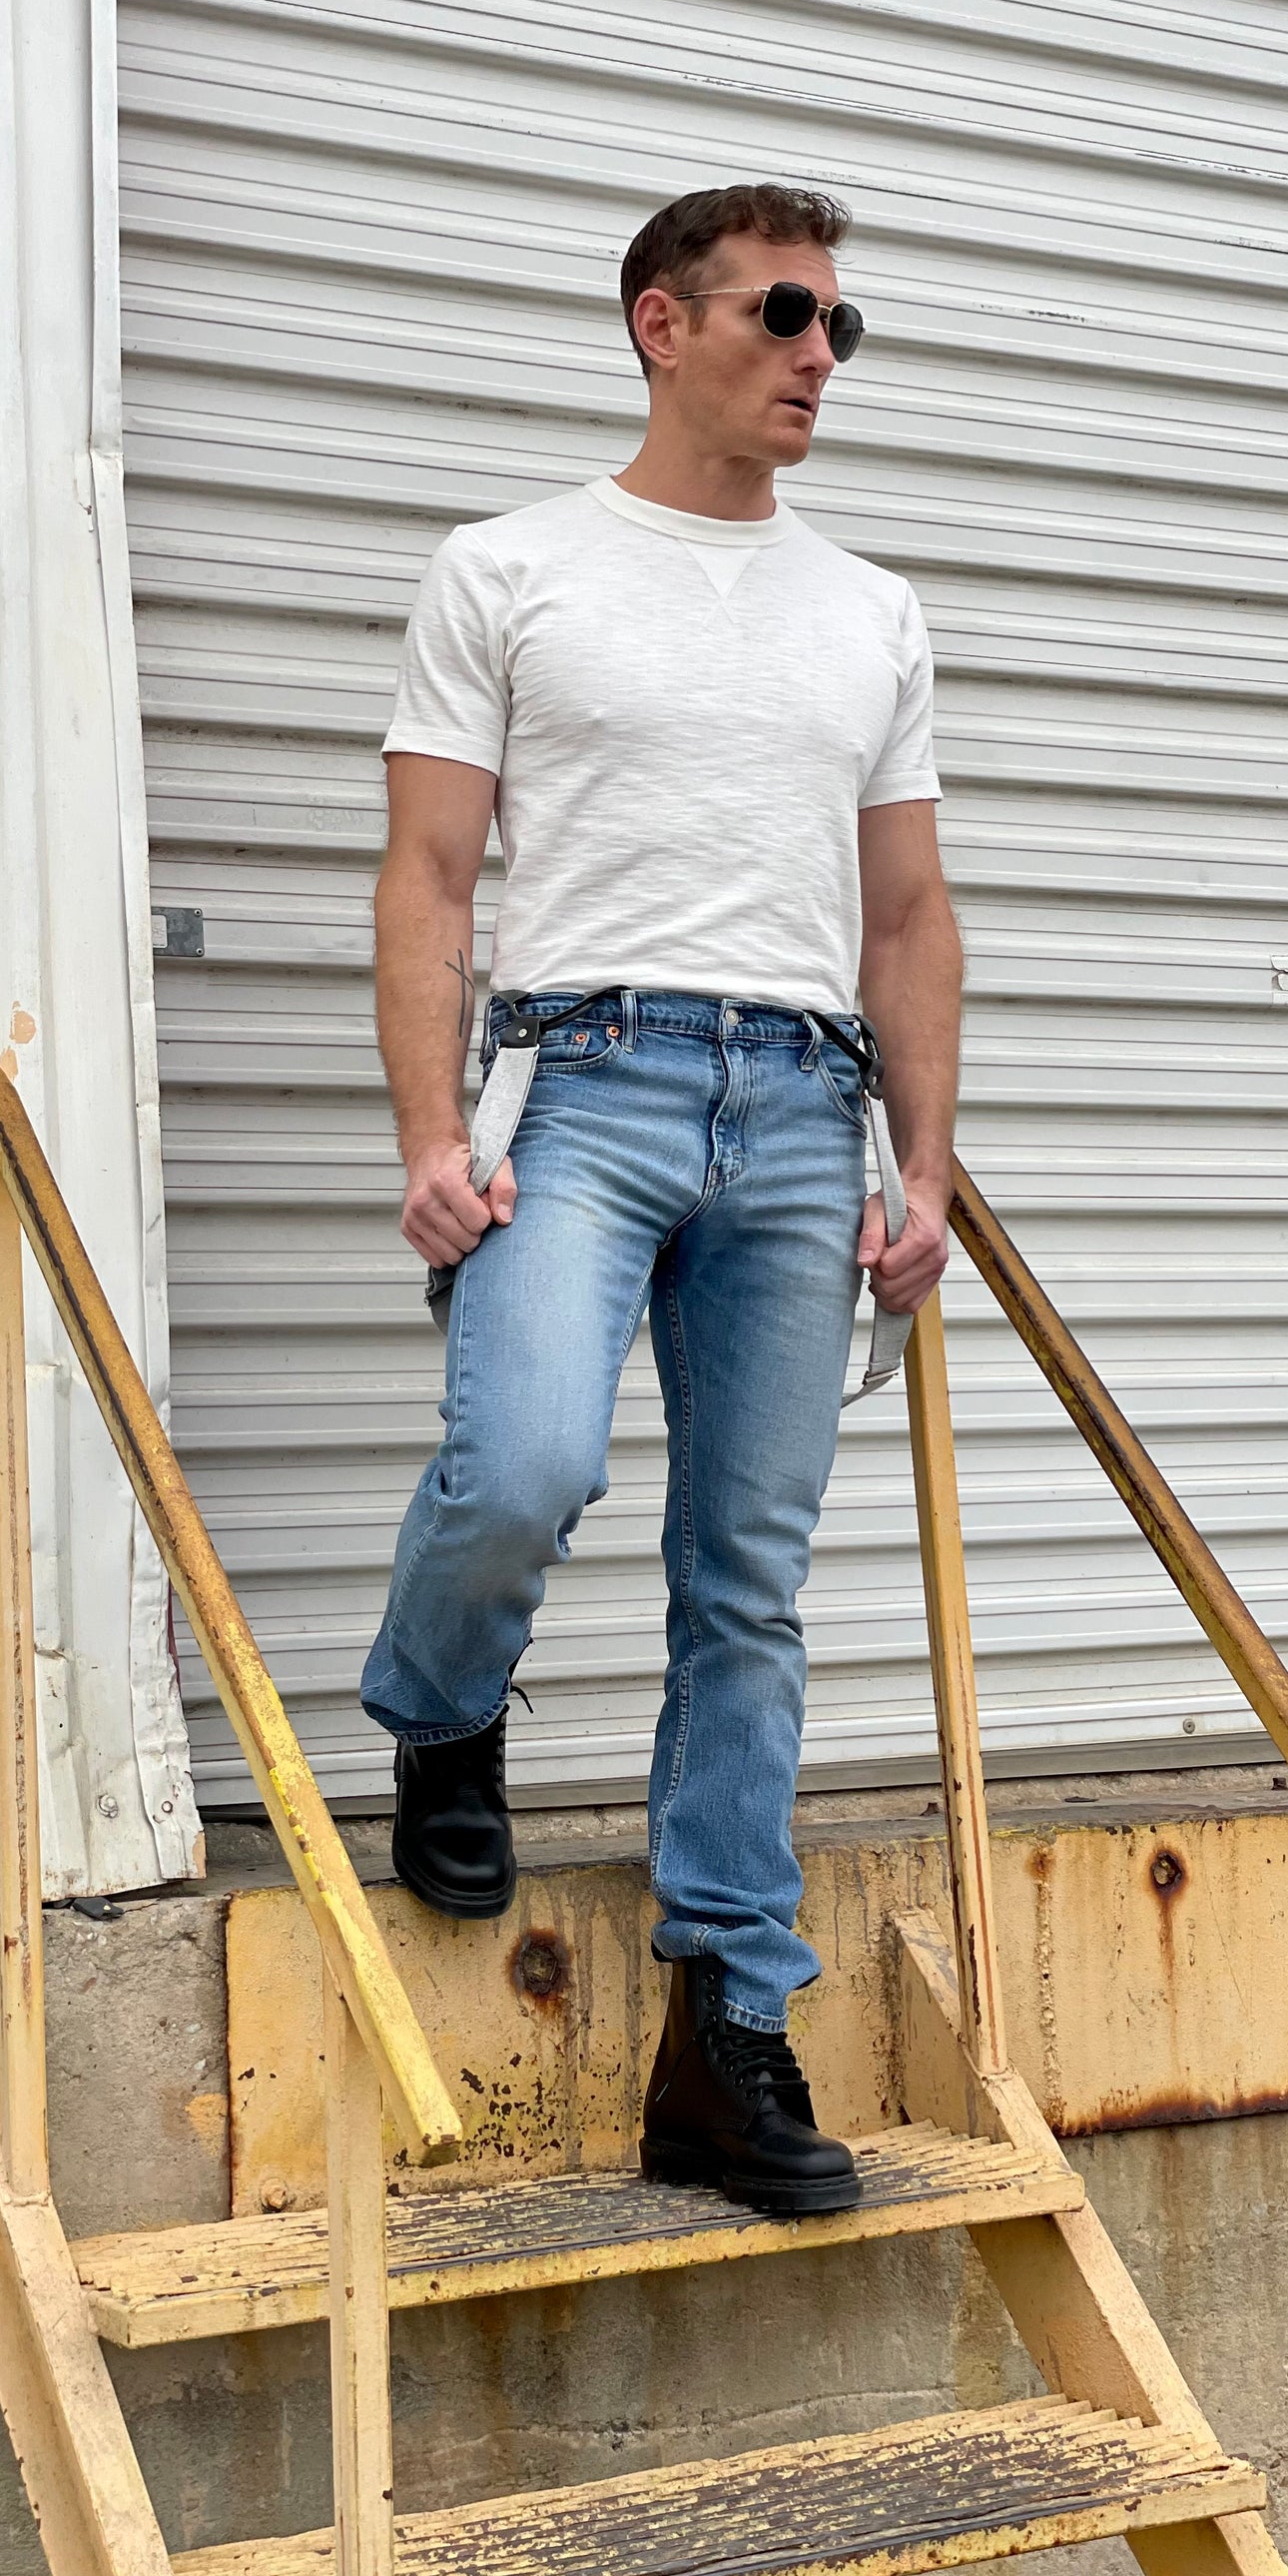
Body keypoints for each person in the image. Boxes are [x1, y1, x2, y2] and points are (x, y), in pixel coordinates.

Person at [361, 183, 962, 2214]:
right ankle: (443, 1708)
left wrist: (924, 1162)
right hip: (586, 1080)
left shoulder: (867, 608)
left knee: (750, 1580)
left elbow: (906, 910)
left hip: (800, 1107)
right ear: (659, 322)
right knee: (521, 1456)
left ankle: (726, 2028)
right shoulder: (511, 569)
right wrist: (430, 1133)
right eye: (784, 312)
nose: (818, 352)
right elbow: (429, 876)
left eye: (838, 326)